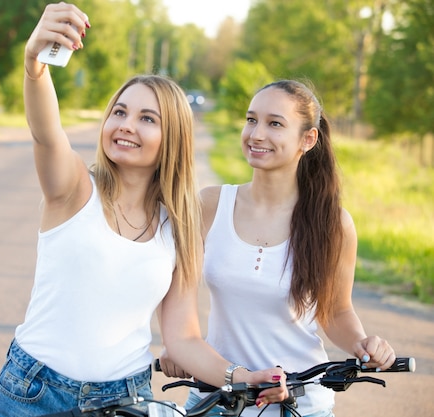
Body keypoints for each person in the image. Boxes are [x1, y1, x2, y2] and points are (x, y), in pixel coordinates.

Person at [0, 3, 287, 416]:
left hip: (127, 399)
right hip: (36, 392)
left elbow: (183, 338)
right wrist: (34, 66)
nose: (126, 125)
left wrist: (241, 376)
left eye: (147, 118)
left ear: (173, 139)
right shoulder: (75, 189)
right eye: (119, 112)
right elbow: (46, 134)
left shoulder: (179, 228)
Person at [161, 79, 396, 416]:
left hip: (300, 404)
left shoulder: (334, 224)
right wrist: (179, 345)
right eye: (251, 119)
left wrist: (363, 345)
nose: (256, 134)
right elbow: (173, 293)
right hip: (217, 396)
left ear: (308, 139)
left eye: (274, 124)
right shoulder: (211, 204)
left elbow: (336, 311)